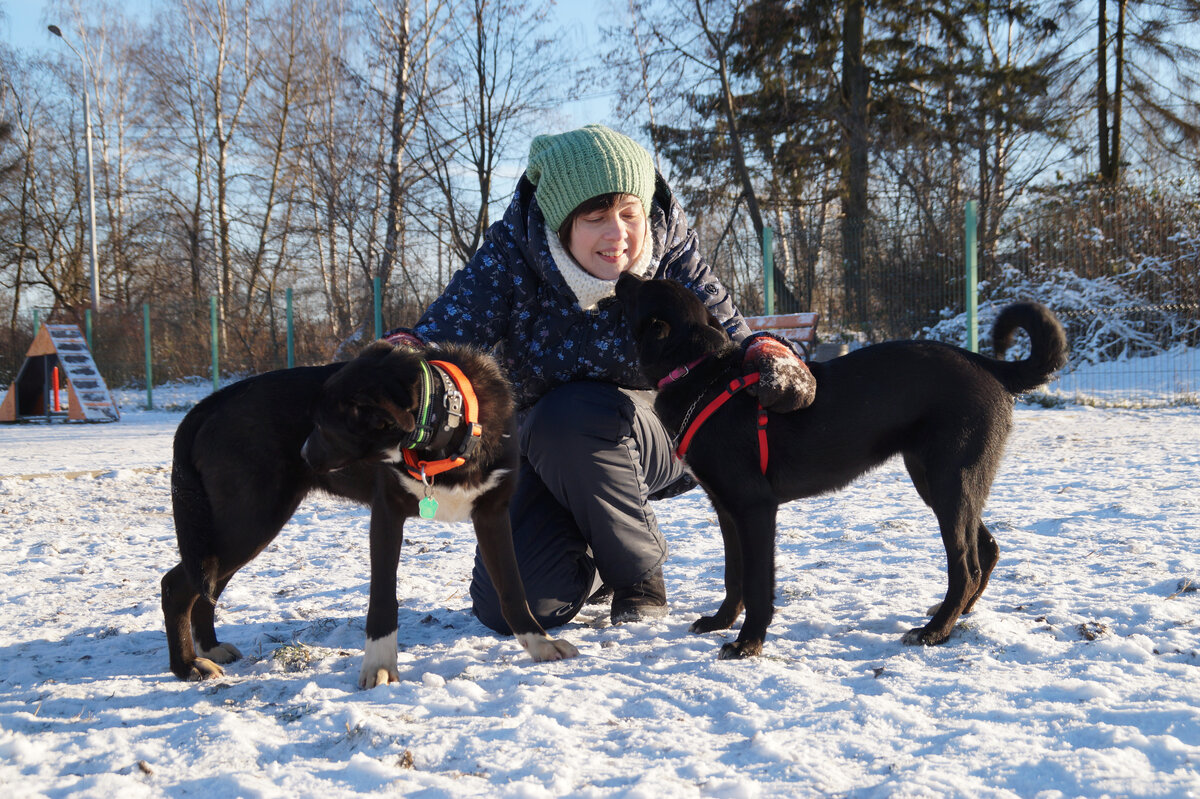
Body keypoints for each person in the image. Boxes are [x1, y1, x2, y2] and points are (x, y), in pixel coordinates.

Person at [384, 124, 815, 632]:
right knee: (511, 606)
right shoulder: (513, 256)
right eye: (596, 217)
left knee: (572, 413)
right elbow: (441, 333)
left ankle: (638, 577)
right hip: (544, 452)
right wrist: (398, 365)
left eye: (629, 213)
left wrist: (770, 355)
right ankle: (601, 557)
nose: (619, 235)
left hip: (655, 434)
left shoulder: (670, 252)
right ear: (561, 221)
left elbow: (735, 336)